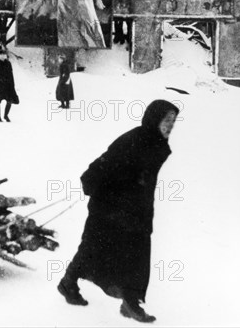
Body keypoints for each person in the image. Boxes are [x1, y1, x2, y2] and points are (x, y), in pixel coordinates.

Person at [57, 100, 179, 323]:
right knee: (94, 249)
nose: (170, 125)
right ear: (154, 119)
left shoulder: (157, 143)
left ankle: (130, 301)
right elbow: (104, 163)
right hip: (109, 206)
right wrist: (91, 183)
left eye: (173, 121)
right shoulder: (134, 140)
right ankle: (68, 283)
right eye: (166, 120)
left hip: (136, 209)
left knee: (137, 252)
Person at [0, 47, 19, 122]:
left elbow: (11, 76)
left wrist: (12, 86)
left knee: (9, 101)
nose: (3, 56)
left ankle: (6, 115)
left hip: (8, 86)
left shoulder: (8, 64)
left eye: (4, 54)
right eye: (1, 54)